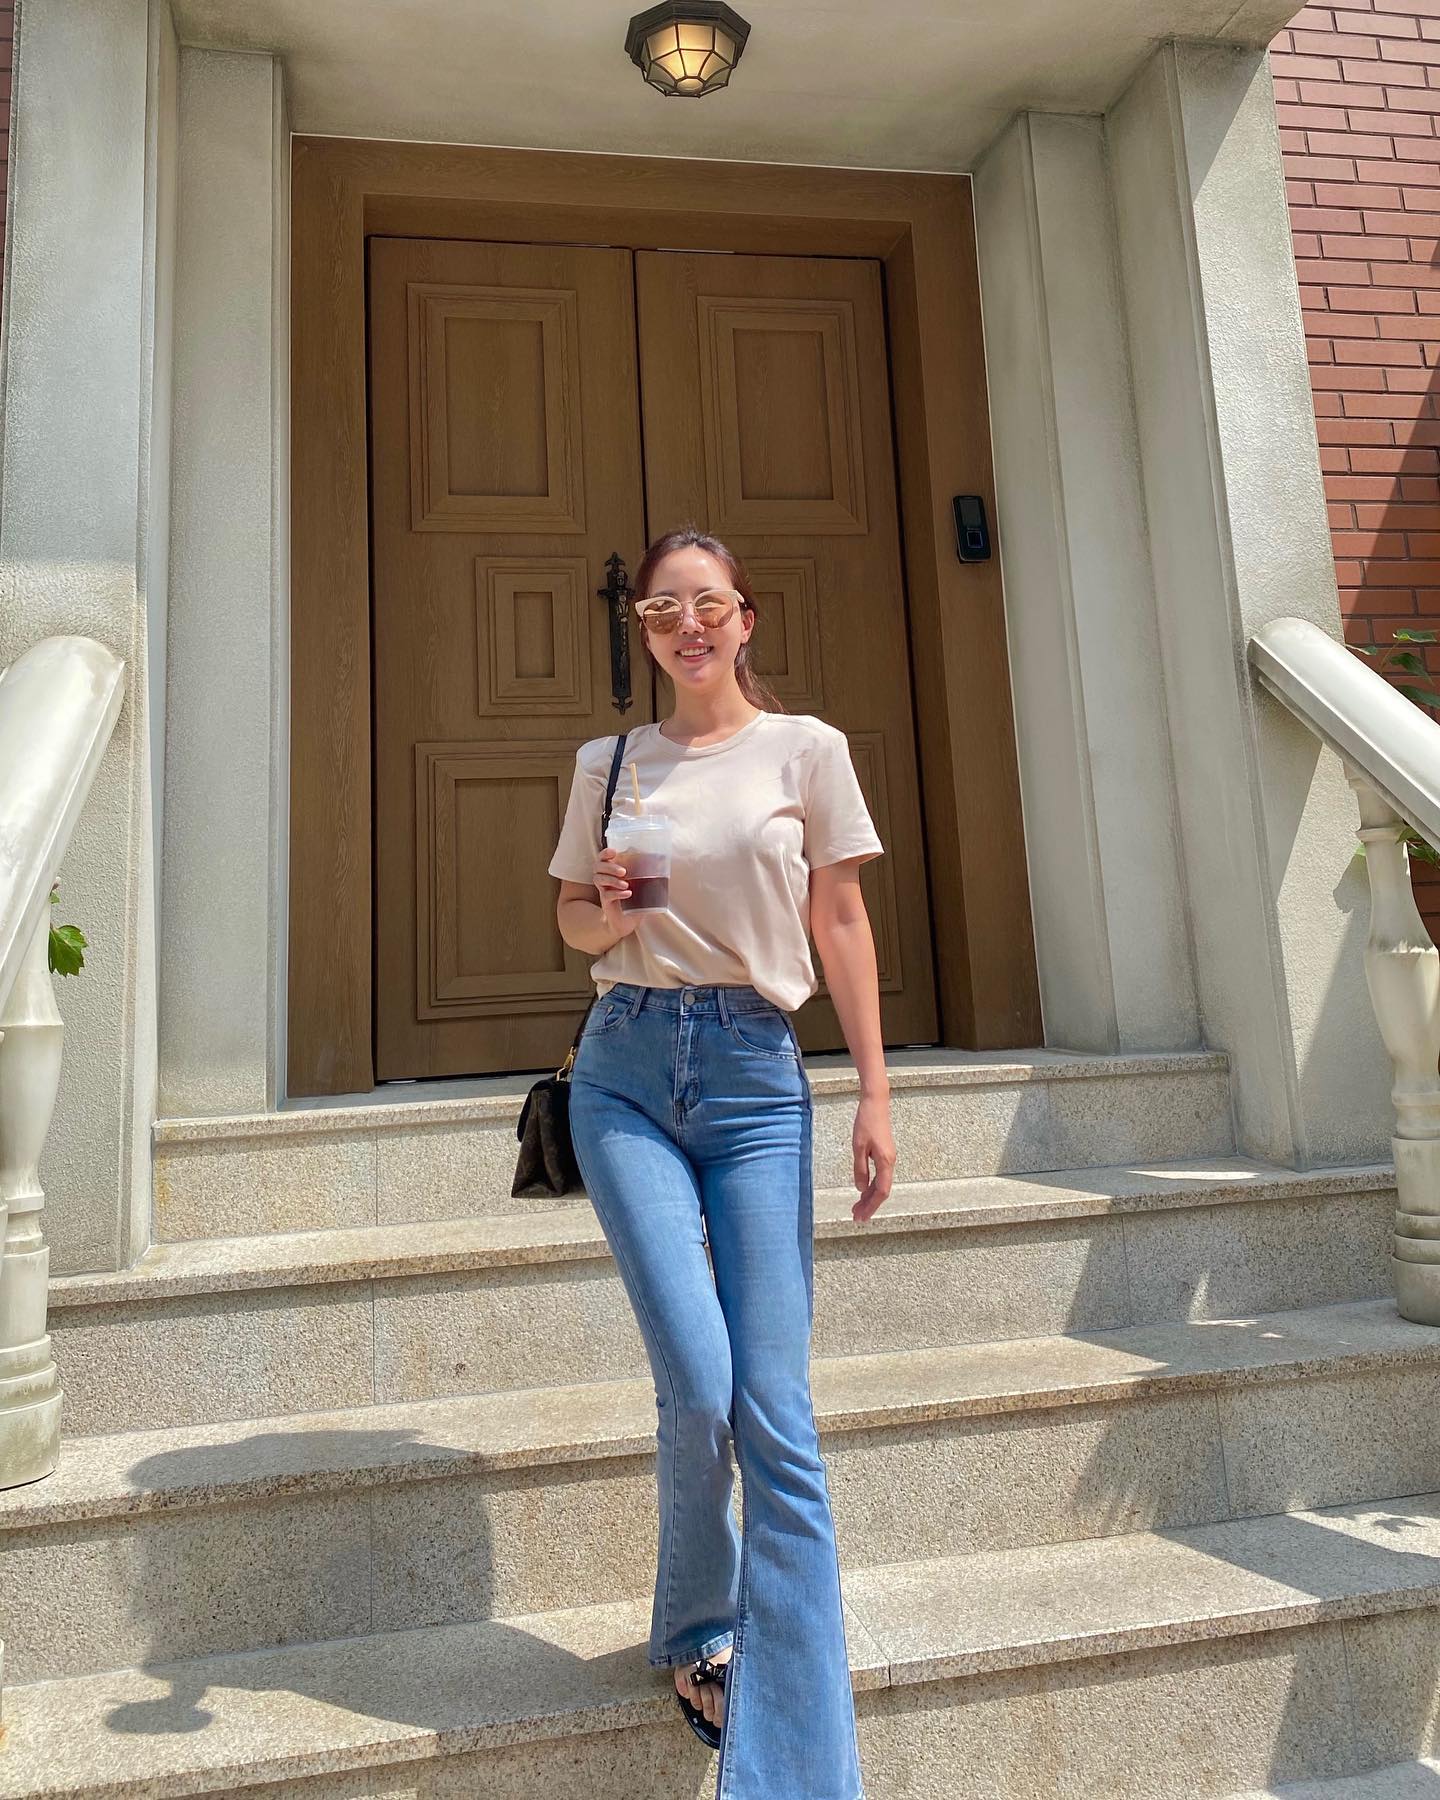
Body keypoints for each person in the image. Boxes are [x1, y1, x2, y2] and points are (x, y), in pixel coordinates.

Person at [548, 525, 896, 1800]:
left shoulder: (807, 751)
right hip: (625, 1071)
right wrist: (608, 908)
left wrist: (874, 1092)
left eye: (707, 605)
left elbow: (840, 919)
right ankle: (701, 1626)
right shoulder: (609, 763)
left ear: (746, 617)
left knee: (777, 1412)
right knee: (698, 1382)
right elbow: (572, 920)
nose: (686, 626)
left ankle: (800, 1767)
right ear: (642, 631)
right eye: (660, 611)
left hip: (755, 1076)